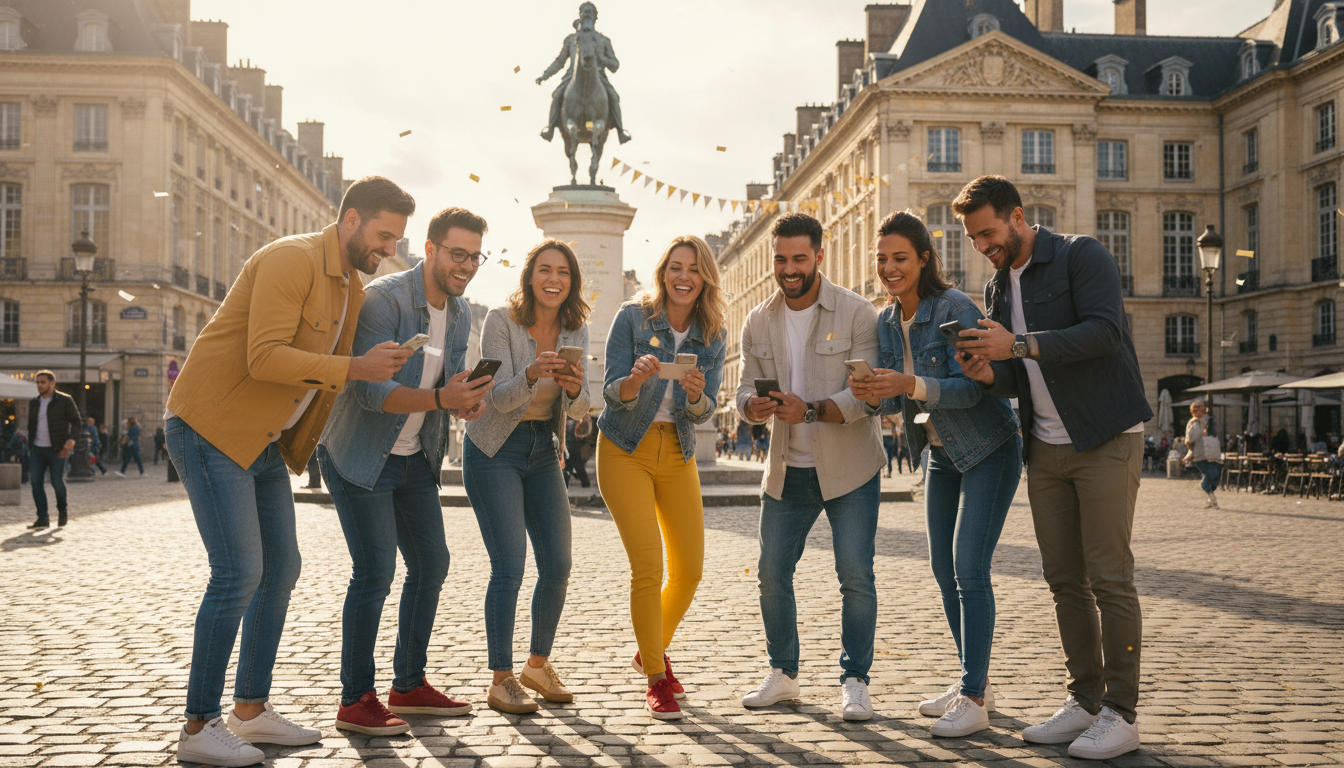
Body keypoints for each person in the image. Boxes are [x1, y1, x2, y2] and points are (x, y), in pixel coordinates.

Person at [165, 176, 416, 767]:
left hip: (263, 440)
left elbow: (333, 371)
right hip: (211, 425)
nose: (388, 249)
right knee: (238, 572)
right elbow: (265, 356)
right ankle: (198, 725)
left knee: (281, 568)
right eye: (384, 236)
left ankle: (250, 711)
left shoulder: (352, 285)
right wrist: (356, 366)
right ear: (351, 220)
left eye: (395, 240)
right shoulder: (291, 259)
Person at [954, 176, 1150, 760]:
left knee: (1110, 578)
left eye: (988, 232)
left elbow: (1105, 332)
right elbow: (1020, 374)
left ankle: (1121, 713)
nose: (982, 246)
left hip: (1106, 435)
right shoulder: (997, 284)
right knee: (1064, 579)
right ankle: (1085, 701)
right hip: (1044, 446)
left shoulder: (1080, 254)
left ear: (1018, 216)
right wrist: (990, 372)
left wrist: (1017, 345)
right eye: (973, 238)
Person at [319, 206, 491, 735]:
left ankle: (409, 685)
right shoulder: (385, 300)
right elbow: (372, 393)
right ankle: (355, 699)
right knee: (375, 572)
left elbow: (445, 384)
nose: (466, 266)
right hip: (361, 453)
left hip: (415, 455)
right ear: (431, 249)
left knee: (431, 564)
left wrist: (465, 400)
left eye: (475, 257)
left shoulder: (460, 312)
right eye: (457, 253)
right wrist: (442, 398)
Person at [849, 211, 1021, 737]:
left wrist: (910, 383)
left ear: (925, 258)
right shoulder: (885, 320)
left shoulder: (954, 307)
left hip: (990, 447)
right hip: (940, 453)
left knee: (969, 568)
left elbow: (977, 387)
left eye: (900, 258)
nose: (890, 268)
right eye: (882, 259)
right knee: (943, 570)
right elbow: (894, 398)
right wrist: (871, 391)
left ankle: (973, 697)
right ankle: (976, 679)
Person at [735, 212, 883, 721]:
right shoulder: (758, 320)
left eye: (799, 258)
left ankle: (855, 680)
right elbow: (743, 388)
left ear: (820, 255)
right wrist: (750, 407)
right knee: (772, 572)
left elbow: (866, 396)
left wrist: (812, 410)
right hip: (786, 468)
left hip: (850, 468)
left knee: (855, 575)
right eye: (781, 259)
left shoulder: (858, 312)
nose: (789, 269)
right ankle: (783, 673)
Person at [596, 235, 726, 720]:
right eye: (675, 267)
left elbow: (705, 409)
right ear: (663, 272)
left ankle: (649, 649)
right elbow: (611, 392)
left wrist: (694, 395)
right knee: (649, 566)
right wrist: (635, 379)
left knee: (689, 569)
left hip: (678, 451)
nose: (683, 277)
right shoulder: (632, 318)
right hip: (624, 449)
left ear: (705, 278)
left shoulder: (713, 334)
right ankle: (655, 676)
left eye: (693, 269)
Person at [464, 238, 591, 715]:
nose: (553, 279)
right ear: (530, 276)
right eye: (545, 269)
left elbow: (579, 410)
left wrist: (574, 390)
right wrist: (534, 374)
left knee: (558, 563)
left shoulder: (575, 328)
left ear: (571, 282)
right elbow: (497, 398)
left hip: (543, 449)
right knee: (510, 565)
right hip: (494, 448)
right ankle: (501, 678)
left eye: (563, 272)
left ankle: (536, 666)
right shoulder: (502, 321)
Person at [537, 2, 631, 144]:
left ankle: (620, 131)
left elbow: (615, 65)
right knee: (557, 95)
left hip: (599, 76)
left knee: (614, 97)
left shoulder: (603, 40)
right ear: (580, 15)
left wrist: (602, 59)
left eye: (590, 12)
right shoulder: (571, 39)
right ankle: (550, 130)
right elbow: (560, 61)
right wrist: (545, 75)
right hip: (572, 76)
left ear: (595, 17)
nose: (587, 14)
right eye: (584, 11)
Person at [26, 370, 82, 529]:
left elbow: (77, 422)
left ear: (52, 383)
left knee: (57, 482)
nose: (39, 385)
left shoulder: (64, 400)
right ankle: (42, 518)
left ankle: (62, 510)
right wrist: (29, 442)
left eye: (42, 382)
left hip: (57, 449)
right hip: (37, 449)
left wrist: (71, 440)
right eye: (37, 383)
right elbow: (32, 425)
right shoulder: (34, 402)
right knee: (36, 483)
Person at [1181, 400, 1222, 508]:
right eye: (1194, 410)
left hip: (1212, 453)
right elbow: (1191, 438)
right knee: (1210, 474)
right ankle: (1210, 495)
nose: (1196, 412)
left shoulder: (1210, 420)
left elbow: (1216, 433)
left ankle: (1210, 497)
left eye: (1198, 409)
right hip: (1200, 454)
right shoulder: (1193, 422)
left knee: (1214, 475)